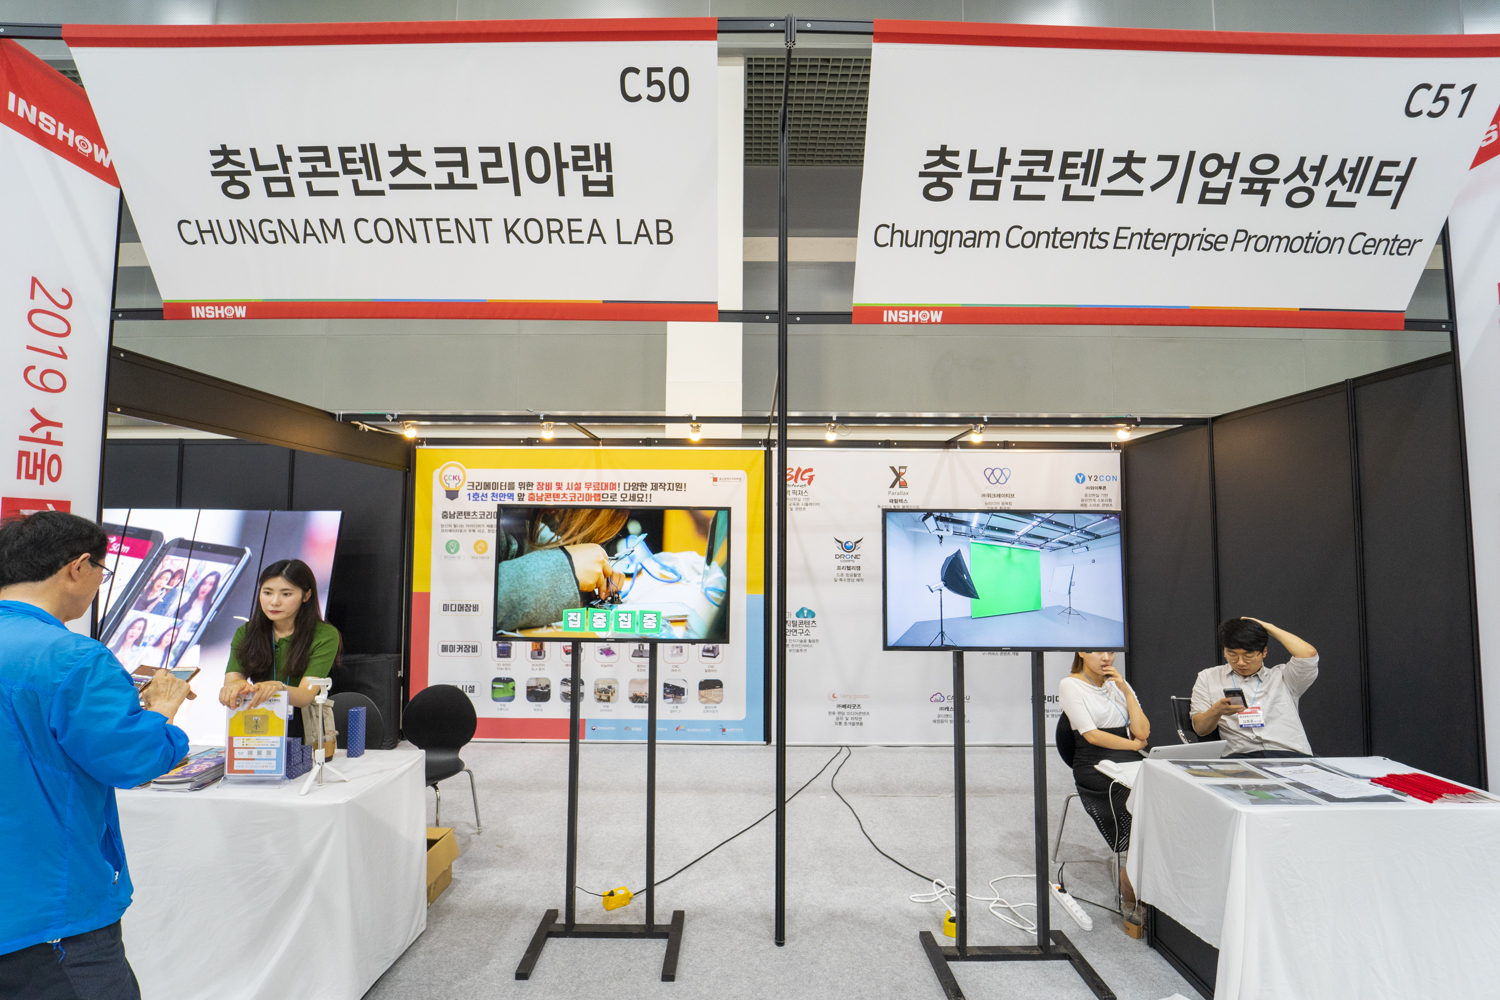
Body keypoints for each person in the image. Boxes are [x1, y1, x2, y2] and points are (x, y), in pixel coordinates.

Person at [0, 511, 192, 998]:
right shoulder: (74, 658)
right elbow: (134, 758)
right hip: (48, 915)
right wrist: (162, 710)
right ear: (79, 566)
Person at [1056, 651, 1150, 926]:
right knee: (1132, 800)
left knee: (1160, 795)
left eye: (1110, 652)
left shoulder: (1119, 683)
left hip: (1130, 759)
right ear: (1082, 652)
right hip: (1092, 762)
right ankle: (1129, 880)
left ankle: (1147, 874)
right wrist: (1134, 745)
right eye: (1099, 651)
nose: (1106, 657)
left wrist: (1126, 692)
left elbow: (1143, 732)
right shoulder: (1070, 684)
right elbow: (1092, 735)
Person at [219, 559, 341, 724]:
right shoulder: (246, 632)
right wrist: (235, 687)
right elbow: (233, 678)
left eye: (286, 594)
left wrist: (279, 688)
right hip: (258, 720)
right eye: (267, 592)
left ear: (306, 595)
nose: (274, 602)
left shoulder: (324, 634)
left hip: (307, 724)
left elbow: (305, 695)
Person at [1191, 617, 1319, 758]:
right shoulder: (1208, 677)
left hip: (1289, 755)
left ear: (1264, 652)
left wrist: (1267, 627)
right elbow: (1200, 729)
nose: (1240, 662)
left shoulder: (1285, 677)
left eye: (1249, 656)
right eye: (1232, 655)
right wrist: (1217, 711)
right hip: (1241, 757)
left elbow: (1308, 654)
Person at [493, 508, 628, 631]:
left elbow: (529, 537)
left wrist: (580, 560)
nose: (553, 507)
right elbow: (485, 598)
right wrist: (566, 568)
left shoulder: (523, 520)